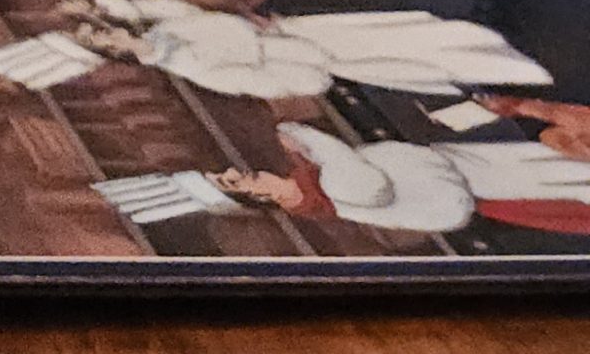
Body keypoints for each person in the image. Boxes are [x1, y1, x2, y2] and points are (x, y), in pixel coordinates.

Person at [61, 0, 553, 99]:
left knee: (409, 28)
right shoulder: (194, 68)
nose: (110, 30)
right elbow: (273, 81)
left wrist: (257, 26)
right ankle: (516, 64)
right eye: (103, 37)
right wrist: (286, 49)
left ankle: (494, 30)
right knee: (412, 57)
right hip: (314, 54)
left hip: (298, 29)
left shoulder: (168, 29)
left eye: (102, 27)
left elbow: (220, 19)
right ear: (117, 52)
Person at [217, 121, 590, 238]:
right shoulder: (327, 193)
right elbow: (368, 180)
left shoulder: (310, 182)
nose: (240, 173)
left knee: (560, 161)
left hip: (455, 166)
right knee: (568, 179)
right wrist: (304, 134)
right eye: (236, 183)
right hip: (469, 184)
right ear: (261, 198)